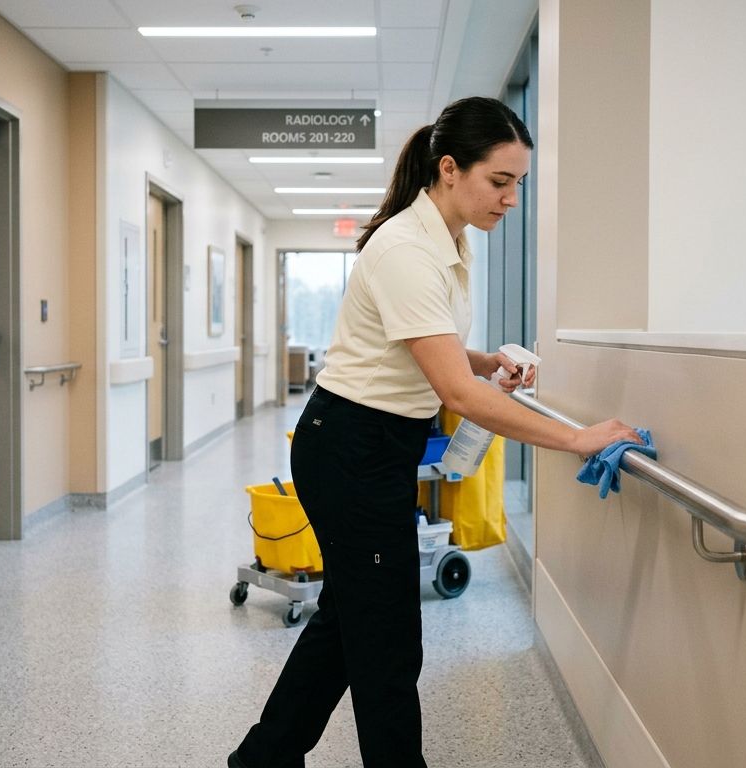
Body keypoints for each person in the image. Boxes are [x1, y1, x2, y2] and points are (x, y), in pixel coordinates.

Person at [229, 96, 641, 768]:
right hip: (349, 446)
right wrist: (575, 440)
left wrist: (486, 362)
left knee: (349, 620)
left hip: (377, 447)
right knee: (388, 640)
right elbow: (454, 392)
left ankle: (263, 758)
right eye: (498, 181)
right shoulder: (404, 249)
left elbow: (437, 354)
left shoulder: (452, 239)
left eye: (518, 184)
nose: (510, 199)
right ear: (449, 169)